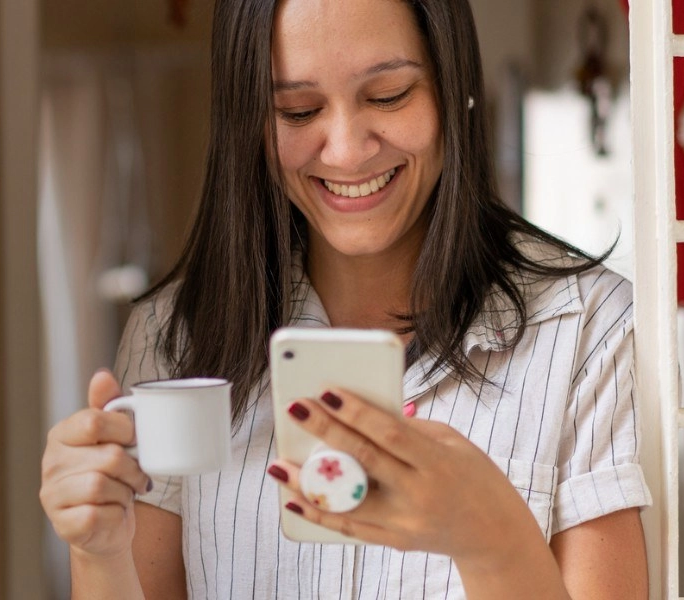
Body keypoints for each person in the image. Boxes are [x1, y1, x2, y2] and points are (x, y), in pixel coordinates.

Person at [39, 0, 650, 597]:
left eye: (388, 96)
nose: (348, 150)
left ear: (452, 85)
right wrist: (97, 554)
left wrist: (490, 537)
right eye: (299, 111)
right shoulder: (172, 337)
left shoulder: (587, 328)